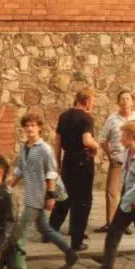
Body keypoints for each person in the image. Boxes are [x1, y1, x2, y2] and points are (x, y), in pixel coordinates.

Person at [0, 113, 78, 269]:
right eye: (26, 126)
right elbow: (19, 170)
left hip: (39, 195)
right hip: (30, 194)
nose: (29, 128)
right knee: (45, 229)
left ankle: (16, 265)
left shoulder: (45, 149)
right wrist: (6, 187)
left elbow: (51, 173)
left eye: (33, 125)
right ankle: (70, 253)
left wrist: (50, 196)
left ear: (39, 128)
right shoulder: (25, 147)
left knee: (20, 231)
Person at [87, 119, 135, 269]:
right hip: (128, 200)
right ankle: (106, 268)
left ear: (131, 137)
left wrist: (124, 202)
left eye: (123, 135)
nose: (120, 139)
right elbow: (125, 176)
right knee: (113, 232)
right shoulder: (127, 153)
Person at [96, 89, 135, 234]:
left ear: (133, 102)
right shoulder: (112, 119)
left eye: (128, 99)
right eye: (122, 99)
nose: (125, 102)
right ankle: (111, 222)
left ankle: (125, 222)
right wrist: (110, 157)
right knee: (112, 191)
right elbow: (103, 139)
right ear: (118, 102)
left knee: (131, 191)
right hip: (117, 159)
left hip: (134, 160)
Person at [50, 88, 99, 252]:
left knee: (64, 195)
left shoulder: (64, 116)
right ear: (86, 100)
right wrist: (96, 145)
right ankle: (76, 239)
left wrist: (57, 162)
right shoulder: (86, 118)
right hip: (83, 162)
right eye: (92, 100)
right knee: (83, 201)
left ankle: (51, 229)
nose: (93, 104)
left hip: (68, 160)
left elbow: (57, 141)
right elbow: (86, 140)